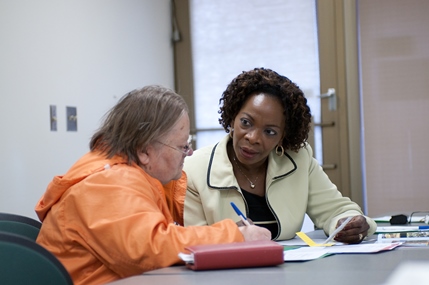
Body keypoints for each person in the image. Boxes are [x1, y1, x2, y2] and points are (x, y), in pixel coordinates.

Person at [35, 85, 270, 285]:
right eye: (181, 146)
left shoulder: (134, 176)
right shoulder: (107, 183)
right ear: (144, 150)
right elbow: (152, 249)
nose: (188, 153)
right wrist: (236, 237)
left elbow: (160, 238)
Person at [183, 68, 377, 243]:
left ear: (283, 137)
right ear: (232, 118)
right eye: (246, 122)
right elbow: (189, 241)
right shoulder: (193, 169)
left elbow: (337, 210)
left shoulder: (298, 159)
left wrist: (350, 224)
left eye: (270, 132)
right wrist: (228, 235)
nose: (253, 138)